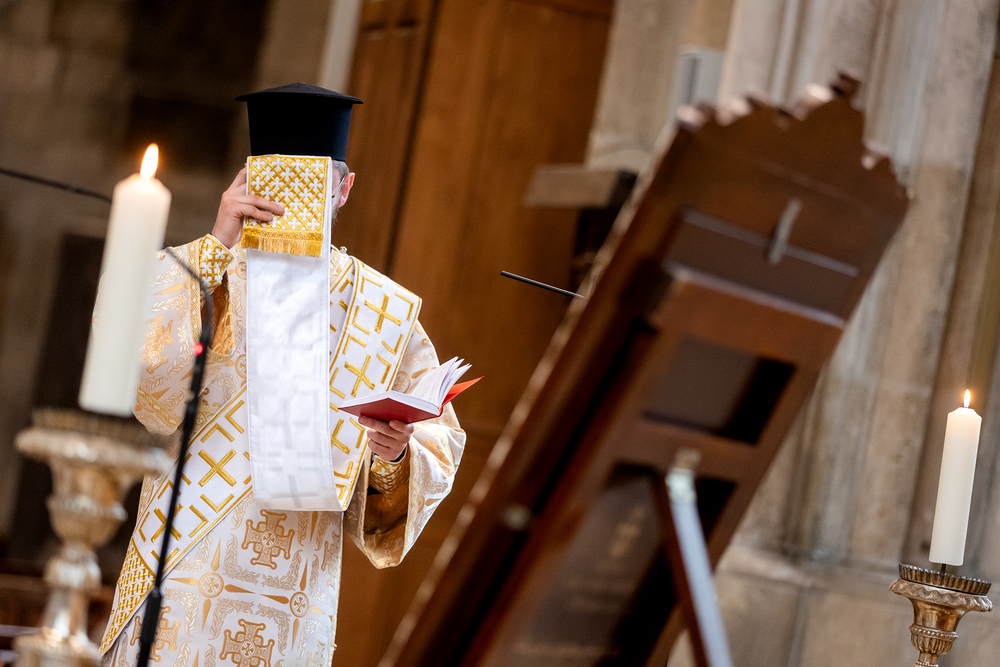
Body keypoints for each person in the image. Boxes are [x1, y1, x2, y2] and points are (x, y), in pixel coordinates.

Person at [99, 83, 465, 667]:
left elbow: (437, 439)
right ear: (248, 180)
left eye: (314, 181)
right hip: (187, 562)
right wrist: (218, 240)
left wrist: (394, 454)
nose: (294, 195)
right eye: (278, 178)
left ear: (344, 188)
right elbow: (138, 372)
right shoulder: (201, 275)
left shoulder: (383, 309)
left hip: (299, 589)